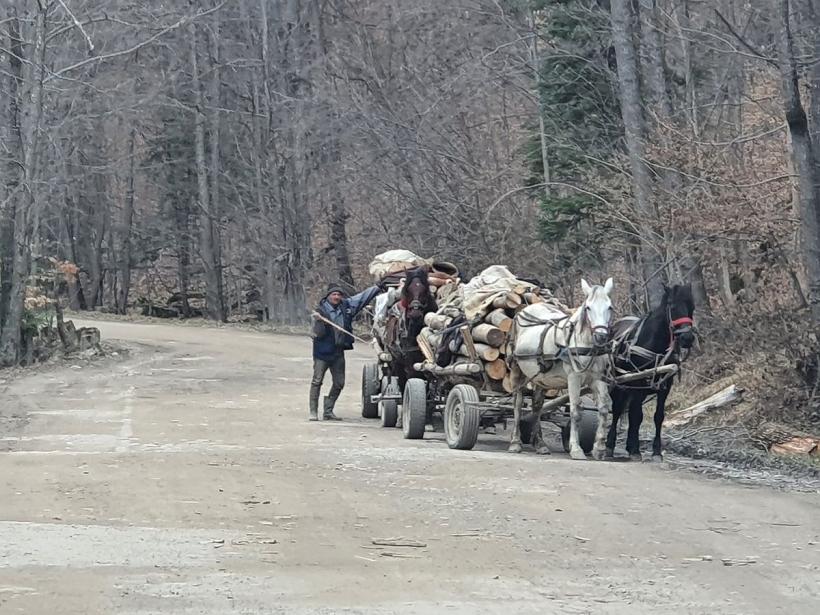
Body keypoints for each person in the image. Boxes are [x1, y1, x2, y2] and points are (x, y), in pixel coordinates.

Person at [310, 282, 383, 421]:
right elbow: (316, 333)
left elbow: (362, 298)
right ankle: (313, 412)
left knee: (339, 383)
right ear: (328, 296)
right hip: (322, 353)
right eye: (334, 294)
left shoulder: (347, 306)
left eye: (338, 295)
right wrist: (319, 322)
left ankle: (328, 410)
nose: (336, 297)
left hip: (338, 352)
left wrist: (378, 287)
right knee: (317, 381)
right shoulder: (319, 311)